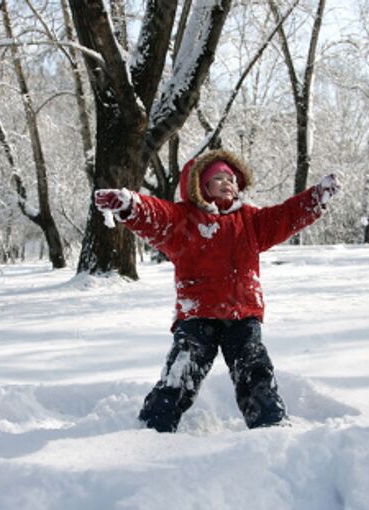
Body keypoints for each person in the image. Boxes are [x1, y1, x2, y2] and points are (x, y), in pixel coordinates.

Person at [94, 149, 342, 432]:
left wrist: (314, 199)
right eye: (219, 178)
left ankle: (269, 424)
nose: (228, 183)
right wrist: (131, 206)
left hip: (243, 313)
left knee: (254, 370)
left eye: (232, 178)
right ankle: (155, 426)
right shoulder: (183, 220)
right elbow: (157, 215)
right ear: (201, 185)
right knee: (182, 371)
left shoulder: (251, 221)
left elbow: (285, 216)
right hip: (198, 314)